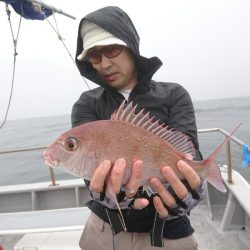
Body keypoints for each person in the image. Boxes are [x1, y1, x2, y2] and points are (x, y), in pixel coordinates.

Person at [72, 6, 205, 250]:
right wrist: (108, 196)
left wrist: (190, 188)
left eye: (111, 49)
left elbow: (188, 153)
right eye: (94, 56)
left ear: (130, 45)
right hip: (105, 230)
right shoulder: (86, 104)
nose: (104, 64)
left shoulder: (174, 94)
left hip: (169, 230)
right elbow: (87, 166)